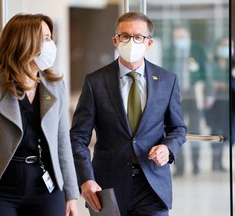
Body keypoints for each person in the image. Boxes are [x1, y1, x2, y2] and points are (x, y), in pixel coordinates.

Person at [0, 13, 79, 216]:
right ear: (24, 42)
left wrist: (71, 196)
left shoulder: (55, 85)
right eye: (45, 38)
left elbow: (62, 143)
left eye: (50, 38)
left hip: (45, 186)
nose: (51, 44)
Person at [70, 12, 187, 216]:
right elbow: (78, 137)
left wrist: (167, 149)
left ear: (148, 42)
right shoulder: (95, 82)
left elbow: (178, 128)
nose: (131, 41)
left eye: (138, 37)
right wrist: (86, 179)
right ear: (116, 40)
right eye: (125, 36)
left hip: (152, 185)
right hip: (107, 187)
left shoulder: (168, 80)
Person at [165, 25, 207, 176]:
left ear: (188, 35)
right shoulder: (170, 50)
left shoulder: (198, 49)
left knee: (195, 128)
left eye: (181, 37)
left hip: (194, 93)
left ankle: (196, 165)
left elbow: (206, 72)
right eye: (176, 38)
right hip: (177, 95)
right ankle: (179, 167)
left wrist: (208, 92)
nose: (179, 40)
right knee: (176, 131)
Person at [204, 37, 230, 172]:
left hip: (228, 103)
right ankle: (214, 162)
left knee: (226, 131)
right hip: (214, 102)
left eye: (228, 45)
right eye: (223, 45)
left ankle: (220, 161)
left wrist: (222, 85)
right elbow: (209, 81)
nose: (226, 48)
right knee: (215, 130)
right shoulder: (212, 63)